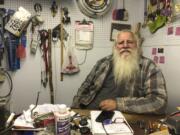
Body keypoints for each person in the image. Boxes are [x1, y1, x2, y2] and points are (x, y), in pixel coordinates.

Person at [71, 29, 167, 114]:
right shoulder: (103, 62)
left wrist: (119, 104)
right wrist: (75, 107)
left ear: (137, 45)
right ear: (115, 47)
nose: (125, 45)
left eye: (129, 42)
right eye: (121, 43)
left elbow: (159, 102)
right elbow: (86, 85)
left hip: (121, 117)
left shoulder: (150, 67)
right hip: (89, 111)